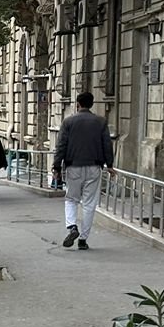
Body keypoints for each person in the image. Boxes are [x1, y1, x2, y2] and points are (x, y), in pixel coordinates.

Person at [54, 91, 116, 251]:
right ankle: (83, 240)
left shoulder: (68, 122)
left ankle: (72, 227)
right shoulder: (101, 122)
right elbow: (107, 145)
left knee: (71, 199)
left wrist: (56, 167)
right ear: (92, 104)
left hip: (73, 166)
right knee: (89, 203)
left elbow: (61, 145)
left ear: (77, 104)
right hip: (94, 167)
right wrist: (109, 164)